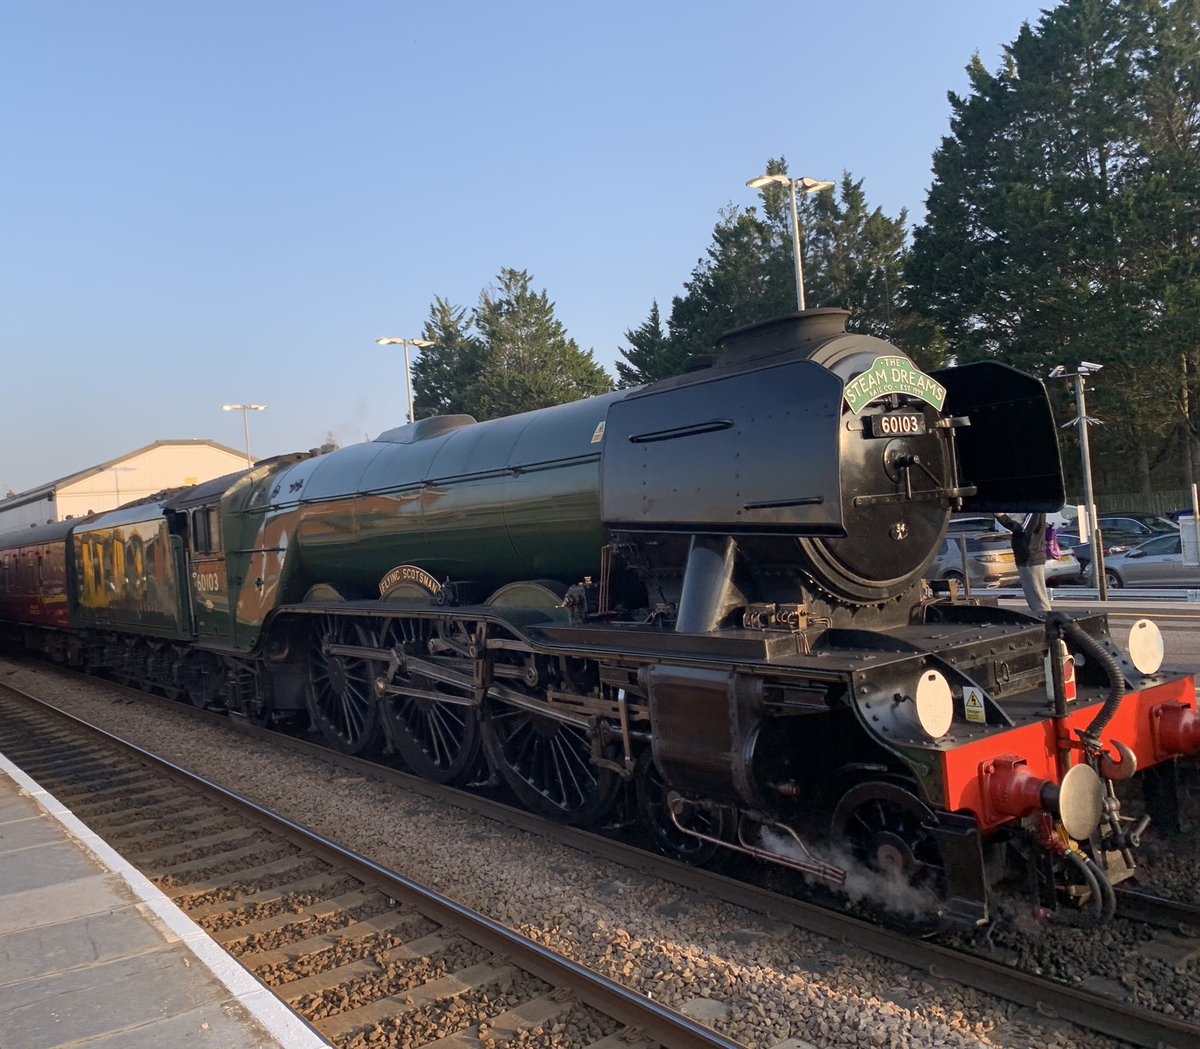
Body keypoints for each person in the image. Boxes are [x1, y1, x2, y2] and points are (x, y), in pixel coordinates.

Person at [995, 512, 1051, 616]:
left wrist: (1002, 517)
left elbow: (1022, 527)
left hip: (1031, 556)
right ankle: (1041, 616)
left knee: (1037, 593)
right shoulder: (1032, 509)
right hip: (1025, 556)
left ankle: (1045, 618)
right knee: (1032, 593)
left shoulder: (1034, 510)